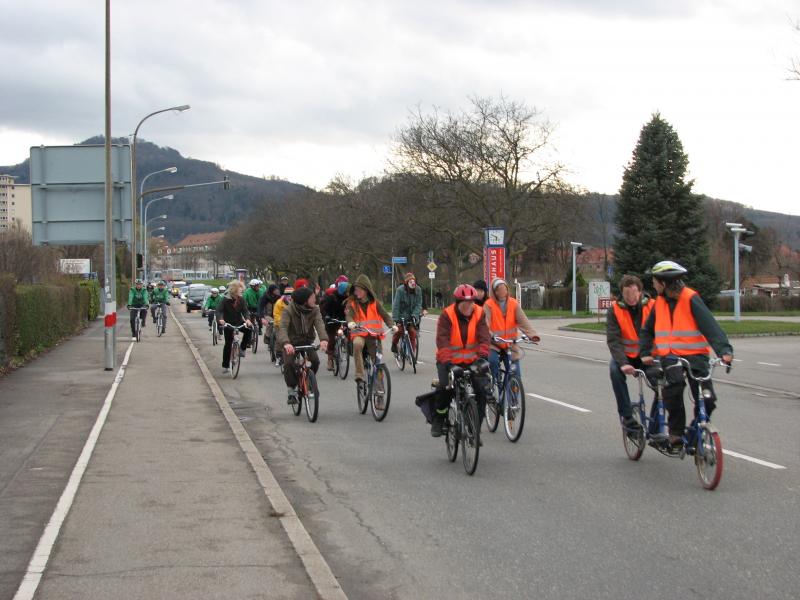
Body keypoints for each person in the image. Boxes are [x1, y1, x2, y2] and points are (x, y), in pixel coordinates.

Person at [639, 261, 733, 446]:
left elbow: (710, 326)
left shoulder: (690, 298)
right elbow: (647, 331)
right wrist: (645, 352)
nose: (653, 285)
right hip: (671, 356)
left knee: (709, 398)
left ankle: (696, 428)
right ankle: (675, 433)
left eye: (655, 281)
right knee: (674, 387)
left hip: (696, 356)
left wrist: (725, 351)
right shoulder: (659, 303)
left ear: (664, 283)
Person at [428, 284, 493, 437]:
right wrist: (449, 363)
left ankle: (475, 428)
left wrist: (483, 357)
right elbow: (442, 341)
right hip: (450, 361)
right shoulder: (447, 315)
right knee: (445, 388)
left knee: (483, 391)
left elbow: (484, 337)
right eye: (465, 303)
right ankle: (439, 418)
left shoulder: (479, 313)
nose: (469, 306)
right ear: (458, 303)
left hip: (473, 361)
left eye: (472, 302)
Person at [607, 275, 653, 432]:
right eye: (627, 295)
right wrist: (623, 363)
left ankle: (655, 422)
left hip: (648, 356)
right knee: (614, 371)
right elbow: (613, 340)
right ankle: (627, 417)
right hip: (626, 357)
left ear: (640, 292)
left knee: (664, 382)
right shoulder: (615, 309)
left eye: (634, 293)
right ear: (622, 293)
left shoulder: (652, 306)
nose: (631, 298)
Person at [483, 278, 540, 404]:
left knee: (515, 372)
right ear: (495, 292)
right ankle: (495, 383)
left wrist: (532, 335)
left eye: (505, 288)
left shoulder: (513, 304)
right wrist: (491, 335)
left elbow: (523, 320)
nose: (503, 291)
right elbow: (485, 324)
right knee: (492, 361)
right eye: (500, 289)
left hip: (510, 344)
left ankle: (512, 403)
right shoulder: (489, 305)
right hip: (494, 344)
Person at [276, 286, 329, 404]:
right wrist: (286, 343)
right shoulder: (288, 310)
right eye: (312, 298)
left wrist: (324, 339)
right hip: (290, 342)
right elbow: (283, 328)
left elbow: (320, 325)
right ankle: (292, 390)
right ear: (304, 300)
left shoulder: (315, 309)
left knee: (315, 361)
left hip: (306, 341)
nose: (315, 300)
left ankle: (309, 381)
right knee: (289, 364)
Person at [345, 275, 395, 384]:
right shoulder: (352, 303)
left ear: (366, 290)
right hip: (359, 334)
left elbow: (385, 316)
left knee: (378, 362)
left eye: (359, 290)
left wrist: (392, 325)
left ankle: (380, 392)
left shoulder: (375, 303)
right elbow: (348, 315)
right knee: (357, 345)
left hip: (374, 336)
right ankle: (359, 375)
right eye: (355, 290)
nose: (356, 292)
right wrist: (351, 322)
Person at [215, 280, 253, 374]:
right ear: (234, 291)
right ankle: (225, 365)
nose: (241, 293)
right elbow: (219, 311)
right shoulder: (225, 299)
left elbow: (245, 311)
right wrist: (220, 319)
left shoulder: (241, 299)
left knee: (249, 329)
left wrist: (247, 319)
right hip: (228, 323)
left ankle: (242, 348)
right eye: (239, 291)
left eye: (241, 291)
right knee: (228, 344)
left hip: (239, 322)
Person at [320, 276, 349, 371]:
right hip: (331, 320)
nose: (347, 293)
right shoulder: (332, 297)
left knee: (350, 334)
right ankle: (330, 360)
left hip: (343, 319)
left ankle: (349, 349)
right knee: (331, 339)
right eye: (346, 291)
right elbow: (324, 309)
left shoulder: (349, 298)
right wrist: (327, 316)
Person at [391, 272, 423, 357]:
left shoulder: (418, 289)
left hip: (412, 315)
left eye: (414, 282)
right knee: (399, 331)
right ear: (406, 283)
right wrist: (396, 319)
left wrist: (415, 315)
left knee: (412, 332)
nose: (413, 285)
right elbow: (396, 305)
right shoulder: (400, 290)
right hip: (401, 315)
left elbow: (419, 304)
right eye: (410, 282)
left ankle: (412, 353)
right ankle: (394, 344)